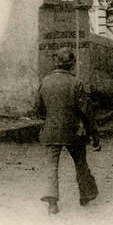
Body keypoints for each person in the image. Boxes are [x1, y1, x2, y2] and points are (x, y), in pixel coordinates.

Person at [35, 48, 98, 215]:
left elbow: (38, 110)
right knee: (80, 163)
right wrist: (94, 135)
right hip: (73, 132)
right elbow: (86, 112)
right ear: (72, 65)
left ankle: (52, 204)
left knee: (51, 167)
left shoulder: (45, 82)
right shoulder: (77, 83)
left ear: (57, 63)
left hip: (51, 131)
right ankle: (86, 195)